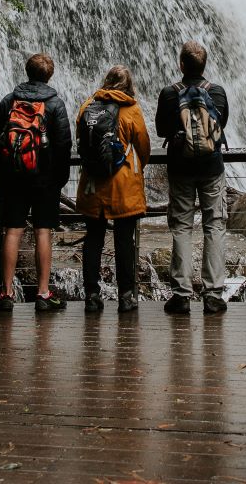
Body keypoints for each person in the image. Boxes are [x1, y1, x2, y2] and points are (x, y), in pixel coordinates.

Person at [0, 52, 73, 313]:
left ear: (27, 72)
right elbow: (63, 144)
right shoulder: (55, 104)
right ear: (50, 75)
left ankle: (6, 292)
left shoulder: (9, 100)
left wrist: (2, 170)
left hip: (13, 178)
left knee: (12, 231)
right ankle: (43, 293)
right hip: (45, 180)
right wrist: (60, 178)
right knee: (42, 232)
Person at [155, 41, 231, 315]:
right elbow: (221, 125)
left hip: (180, 168)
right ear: (204, 65)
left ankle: (182, 294)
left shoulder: (168, 93)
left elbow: (162, 128)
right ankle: (213, 294)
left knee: (182, 227)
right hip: (211, 168)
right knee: (214, 226)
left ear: (181, 65)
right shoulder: (218, 92)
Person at [74, 65, 151, 314]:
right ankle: (126, 297)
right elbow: (144, 146)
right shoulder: (132, 109)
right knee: (124, 242)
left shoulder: (88, 106)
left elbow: (81, 141)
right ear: (129, 86)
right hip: (122, 186)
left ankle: (92, 296)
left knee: (93, 239)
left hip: (93, 184)